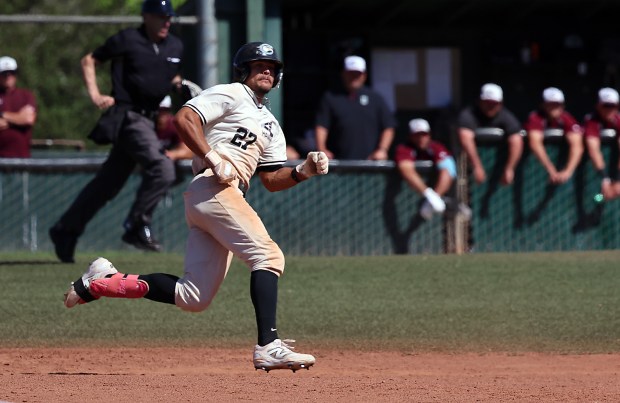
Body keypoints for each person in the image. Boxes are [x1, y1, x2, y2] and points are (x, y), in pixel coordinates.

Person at [62, 42, 328, 372]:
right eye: (259, 64)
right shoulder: (232, 93)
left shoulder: (271, 124)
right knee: (269, 256)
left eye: (272, 66)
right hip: (214, 187)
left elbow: (272, 179)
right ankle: (268, 345)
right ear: (243, 70)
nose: (267, 70)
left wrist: (304, 171)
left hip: (226, 196)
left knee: (193, 297)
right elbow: (184, 118)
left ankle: (103, 281)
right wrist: (215, 158)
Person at [49, 0, 184, 263]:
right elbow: (89, 60)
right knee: (163, 168)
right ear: (146, 16)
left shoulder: (175, 45)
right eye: (160, 16)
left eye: (169, 17)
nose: (166, 21)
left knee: (107, 184)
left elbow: (170, 76)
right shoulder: (128, 39)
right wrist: (95, 95)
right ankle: (136, 224)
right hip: (128, 117)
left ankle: (66, 229)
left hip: (150, 118)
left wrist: (181, 85)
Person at [315, 55, 396, 160]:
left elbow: (388, 126)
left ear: (364, 75)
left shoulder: (375, 98)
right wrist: (321, 149)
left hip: (370, 163)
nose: (354, 77)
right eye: (350, 73)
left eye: (358, 74)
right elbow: (321, 125)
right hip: (338, 163)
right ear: (343, 74)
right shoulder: (331, 97)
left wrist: (382, 149)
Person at [395, 118, 468, 220]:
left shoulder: (436, 147)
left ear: (429, 134)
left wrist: (433, 200)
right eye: (417, 135)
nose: (421, 138)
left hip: (435, 199)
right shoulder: (404, 148)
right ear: (411, 136)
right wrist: (429, 195)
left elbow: (449, 170)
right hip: (406, 199)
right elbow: (406, 170)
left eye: (424, 134)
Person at [457, 83, 524, 185]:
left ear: (500, 103)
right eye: (487, 102)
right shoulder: (469, 114)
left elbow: (516, 139)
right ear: (480, 101)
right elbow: (465, 137)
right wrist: (477, 166)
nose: (490, 106)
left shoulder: (505, 116)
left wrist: (509, 169)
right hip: (468, 166)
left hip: (498, 166)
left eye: (494, 103)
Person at [524, 87, 583, 184]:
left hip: (560, 171)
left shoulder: (566, 118)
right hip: (533, 169)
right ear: (543, 105)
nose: (554, 108)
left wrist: (568, 171)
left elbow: (577, 145)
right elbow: (535, 143)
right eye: (550, 104)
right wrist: (550, 169)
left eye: (557, 104)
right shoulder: (535, 117)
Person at [583, 87, 620, 201]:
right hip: (593, 175)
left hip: (616, 176)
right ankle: (598, 200)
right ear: (598, 106)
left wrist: (618, 180)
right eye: (606, 106)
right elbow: (594, 150)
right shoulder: (591, 120)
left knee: (615, 192)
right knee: (598, 197)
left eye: (612, 106)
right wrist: (605, 179)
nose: (609, 110)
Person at [0, 56, 37, 158]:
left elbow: (28, 119)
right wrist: (18, 118)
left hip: (22, 160)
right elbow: (22, 119)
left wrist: (3, 115)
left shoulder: (26, 96)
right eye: (4, 73)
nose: (8, 76)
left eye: (12, 72)